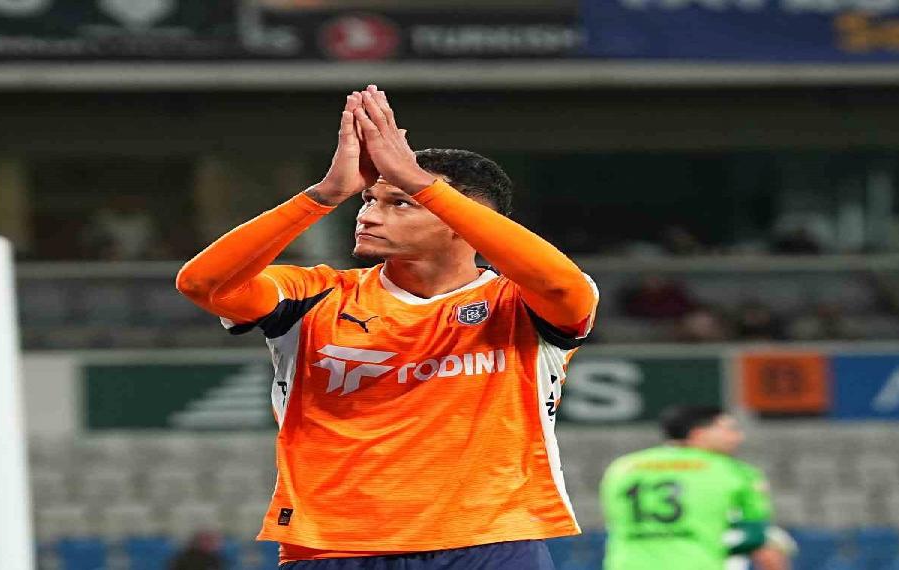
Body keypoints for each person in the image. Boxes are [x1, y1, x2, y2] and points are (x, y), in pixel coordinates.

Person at [176, 85, 598, 569]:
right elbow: (201, 283)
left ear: (461, 220)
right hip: (334, 545)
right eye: (368, 200)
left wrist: (420, 183)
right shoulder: (314, 294)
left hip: (493, 540)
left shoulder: (519, 302)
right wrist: (324, 195)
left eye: (399, 203)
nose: (368, 215)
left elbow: (564, 286)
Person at [600, 406, 774, 570]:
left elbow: (614, 520)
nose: (738, 437)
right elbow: (754, 536)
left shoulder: (623, 467)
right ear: (699, 433)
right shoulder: (735, 471)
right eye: (729, 430)